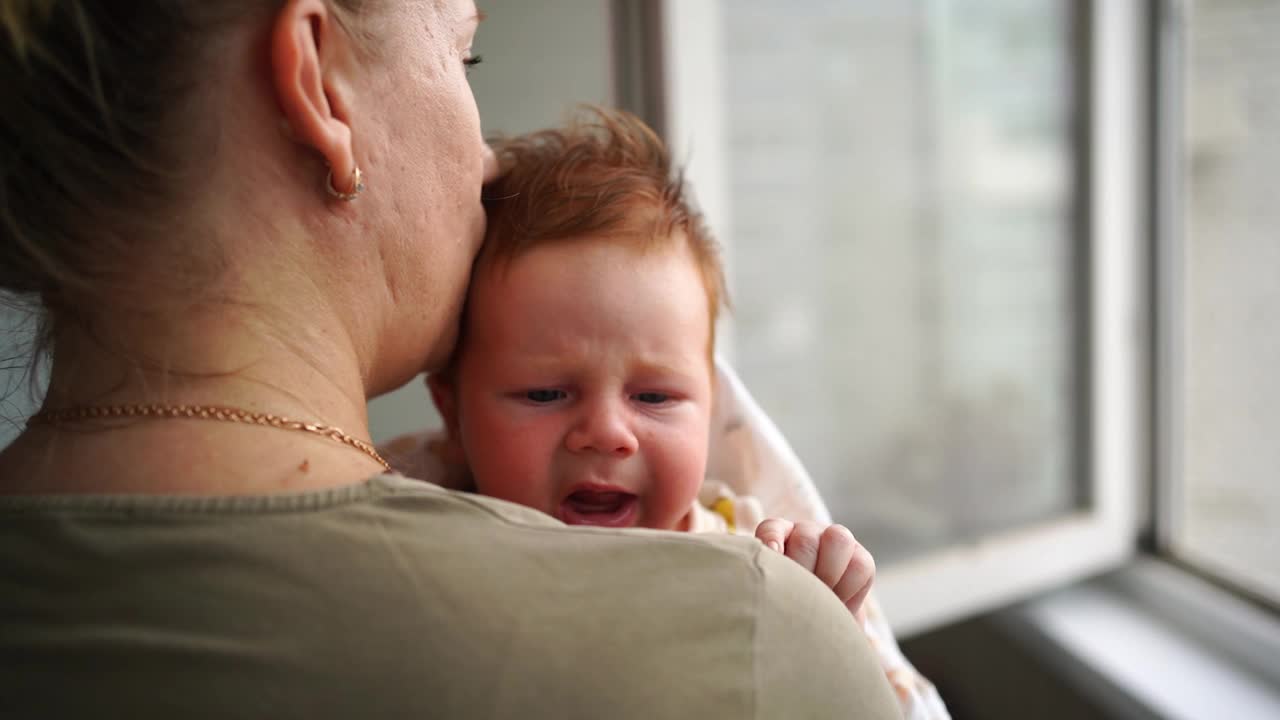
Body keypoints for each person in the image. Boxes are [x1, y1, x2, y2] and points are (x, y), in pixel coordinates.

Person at [0, 2, 902, 718]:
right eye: (465, 55)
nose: (485, 161)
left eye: (659, 392)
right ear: (319, 79)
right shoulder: (752, 649)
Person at [423, 108, 876, 620]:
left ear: (711, 407)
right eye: (546, 394)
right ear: (452, 413)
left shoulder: (750, 559)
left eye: (654, 397)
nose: (607, 433)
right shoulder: (426, 547)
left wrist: (822, 609)